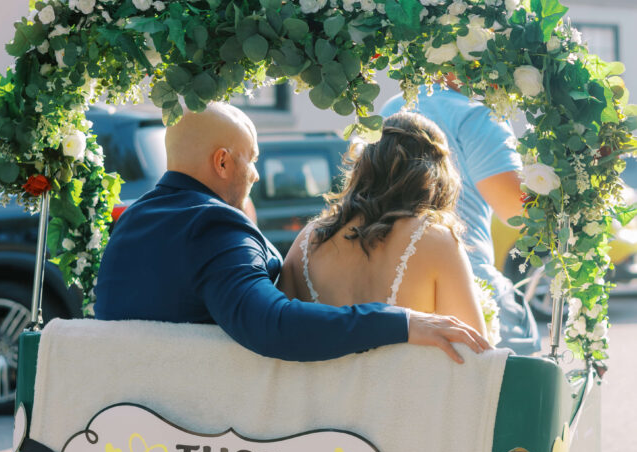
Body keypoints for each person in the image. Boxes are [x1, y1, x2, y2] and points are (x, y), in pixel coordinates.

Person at [94, 102, 489, 363]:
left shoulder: (130, 223)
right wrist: (401, 322)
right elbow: (272, 325)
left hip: (126, 414)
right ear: (222, 162)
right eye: (253, 160)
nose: (256, 175)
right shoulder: (214, 225)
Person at [280, 110, 486, 337]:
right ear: (435, 173)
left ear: (364, 165)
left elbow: (281, 331)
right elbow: (474, 350)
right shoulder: (436, 241)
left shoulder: (308, 240)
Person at [381, 80, 540, 354]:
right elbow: (517, 213)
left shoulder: (392, 107)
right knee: (526, 352)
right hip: (466, 279)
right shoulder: (477, 115)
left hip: (386, 286)